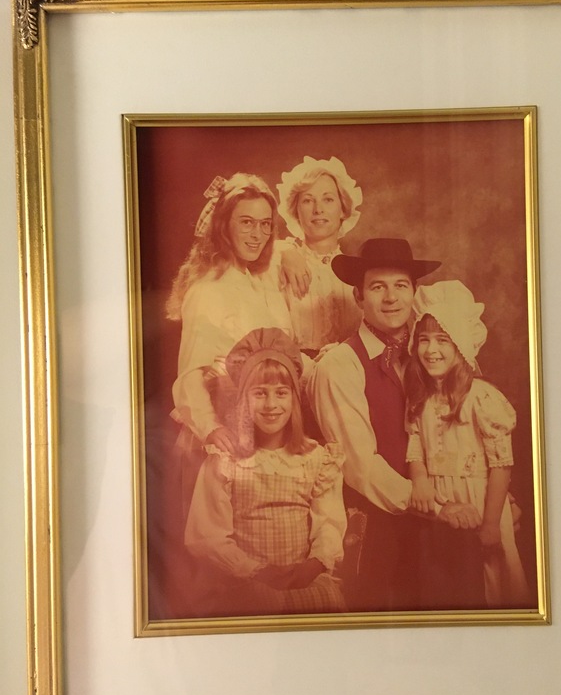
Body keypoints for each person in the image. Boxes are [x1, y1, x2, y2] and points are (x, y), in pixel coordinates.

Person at [307, 238, 485, 612]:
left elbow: (468, 429)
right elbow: (360, 466)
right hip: (378, 528)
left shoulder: (432, 352)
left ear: (414, 292)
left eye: (400, 286)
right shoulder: (339, 365)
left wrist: (493, 500)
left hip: (444, 517)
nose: (391, 298)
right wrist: (438, 508)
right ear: (358, 296)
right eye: (377, 287)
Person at [185, 328, 347, 616]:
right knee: (260, 604)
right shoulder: (225, 460)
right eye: (259, 393)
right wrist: (256, 571)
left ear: (295, 400)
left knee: (323, 604)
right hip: (244, 580)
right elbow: (207, 537)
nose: (271, 405)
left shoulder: (317, 459)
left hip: (303, 575)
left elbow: (329, 523)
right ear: (243, 401)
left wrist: (315, 563)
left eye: (281, 393)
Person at [404, 280, 531, 608]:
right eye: (424, 340)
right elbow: (416, 440)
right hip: (441, 503)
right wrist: (419, 478)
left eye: (442, 340)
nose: (431, 350)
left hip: (481, 499)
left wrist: (491, 522)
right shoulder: (423, 398)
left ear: (461, 344)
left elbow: (501, 464)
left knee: (492, 576)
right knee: (448, 581)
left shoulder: (482, 397)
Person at [167, 173, 293, 459]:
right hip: (225, 427)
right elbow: (190, 374)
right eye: (246, 222)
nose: (257, 234)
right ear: (224, 226)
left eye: (265, 225)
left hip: (265, 421)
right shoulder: (208, 289)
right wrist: (211, 428)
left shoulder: (260, 282)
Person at [275, 156, 363, 353]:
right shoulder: (280, 264)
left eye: (328, 199)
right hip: (296, 374)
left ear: (343, 209)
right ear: (296, 211)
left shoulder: (360, 272)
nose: (318, 210)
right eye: (308, 200)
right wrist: (282, 251)